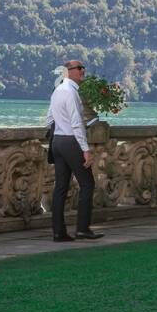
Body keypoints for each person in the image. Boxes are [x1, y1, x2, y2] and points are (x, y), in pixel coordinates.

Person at [46, 60, 103, 242]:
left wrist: (58, 131)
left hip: (57, 141)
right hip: (71, 142)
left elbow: (49, 119)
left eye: (83, 68)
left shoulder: (57, 91)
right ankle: (83, 229)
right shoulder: (71, 93)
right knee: (87, 184)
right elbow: (77, 123)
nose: (82, 71)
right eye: (79, 68)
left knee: (60, 187)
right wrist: (85, 149)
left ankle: (58, 232)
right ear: (68, 72)